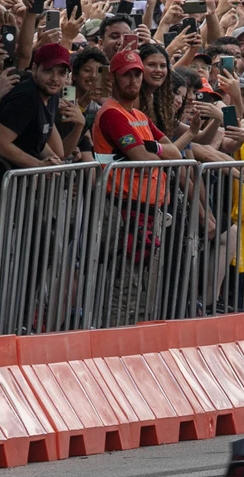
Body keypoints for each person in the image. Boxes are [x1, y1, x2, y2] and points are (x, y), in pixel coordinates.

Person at [90, 49, 181, 325]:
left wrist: (150, 147)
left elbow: (175, 152)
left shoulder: (138, 115)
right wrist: (152, 150)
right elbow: (140, 158)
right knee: (124, 288)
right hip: (122, 212)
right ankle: (113, 347)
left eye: (137, 74)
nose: (133, 80)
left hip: (146, 212)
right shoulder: (112, 114)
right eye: (126, 74)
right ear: (114, 78)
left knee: (144, 293)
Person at [0, 43, 84, 168]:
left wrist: (79, 125)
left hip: (27, 181)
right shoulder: (25, 97)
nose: (55, 78)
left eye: (61, 73)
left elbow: (58, 152)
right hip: (6, 179)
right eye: (48, 70)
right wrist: (38, 164)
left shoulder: (51, 96)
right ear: (35, 68)